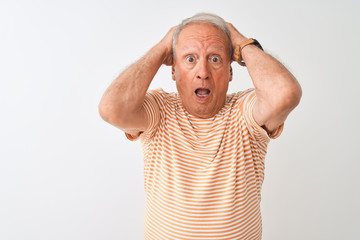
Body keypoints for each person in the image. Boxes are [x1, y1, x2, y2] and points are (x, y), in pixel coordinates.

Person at [99, 13, 301, 240]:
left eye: (215, 59)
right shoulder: (159, 111)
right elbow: (110, 108)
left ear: (230, 71)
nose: (203, 72)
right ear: (173, 71)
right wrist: (162, 47)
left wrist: (242, 42)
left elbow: (286, 94)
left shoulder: (245, 113)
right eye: (190, 59)